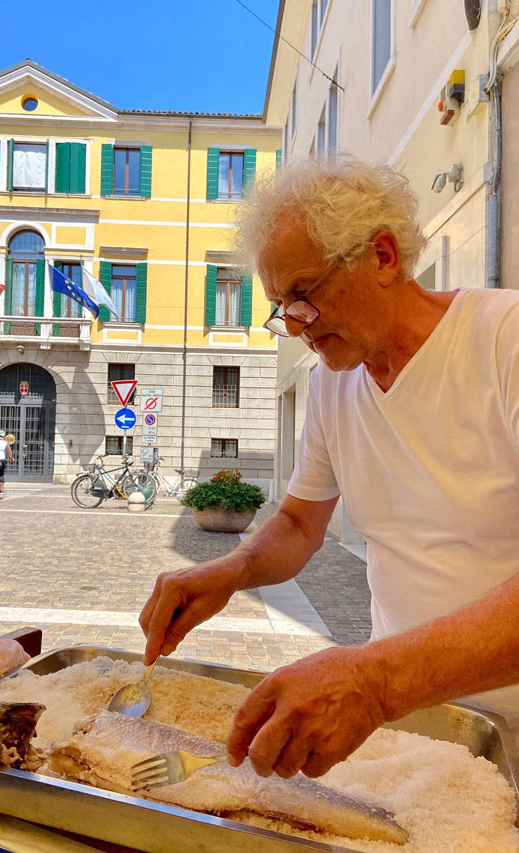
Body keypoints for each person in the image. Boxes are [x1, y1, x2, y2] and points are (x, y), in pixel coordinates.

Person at [139, 155, 519, 782]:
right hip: (421, 730)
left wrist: (372, 681)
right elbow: (296, 522)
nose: (291, 323)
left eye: (303, 294)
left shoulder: (503, 339)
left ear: (384, 258)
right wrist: (230, 572)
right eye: (278, 303)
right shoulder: (331, 386)